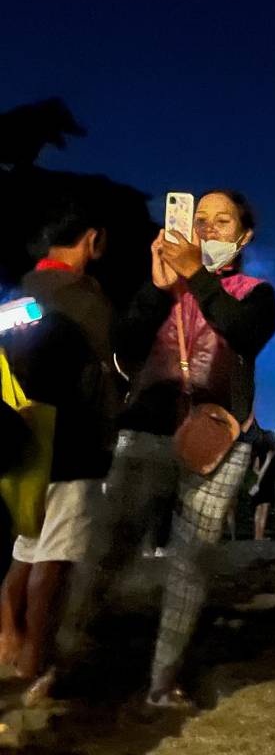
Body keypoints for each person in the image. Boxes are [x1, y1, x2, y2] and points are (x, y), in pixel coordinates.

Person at [78, 190, 275, 708]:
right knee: (108, 550)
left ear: (244, 235)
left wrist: (199, 277)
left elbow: (241, 333)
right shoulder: (161, 287)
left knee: (190, 564)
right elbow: (122, 347)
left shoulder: (256, 293)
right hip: (146, 430)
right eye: (201, 220)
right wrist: (155, 287)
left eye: (223, 220)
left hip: (217, 437)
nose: (209, 228)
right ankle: (67, 664)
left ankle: (162, 682)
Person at [0, 204, 117, 703]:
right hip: (71, 442)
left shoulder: (19, 294)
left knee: (24, 550)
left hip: (15, 437)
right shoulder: (86, 300)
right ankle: (35, 667)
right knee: (55, 559)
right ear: (92, 239)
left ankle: (9, 641)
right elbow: (108, 373)